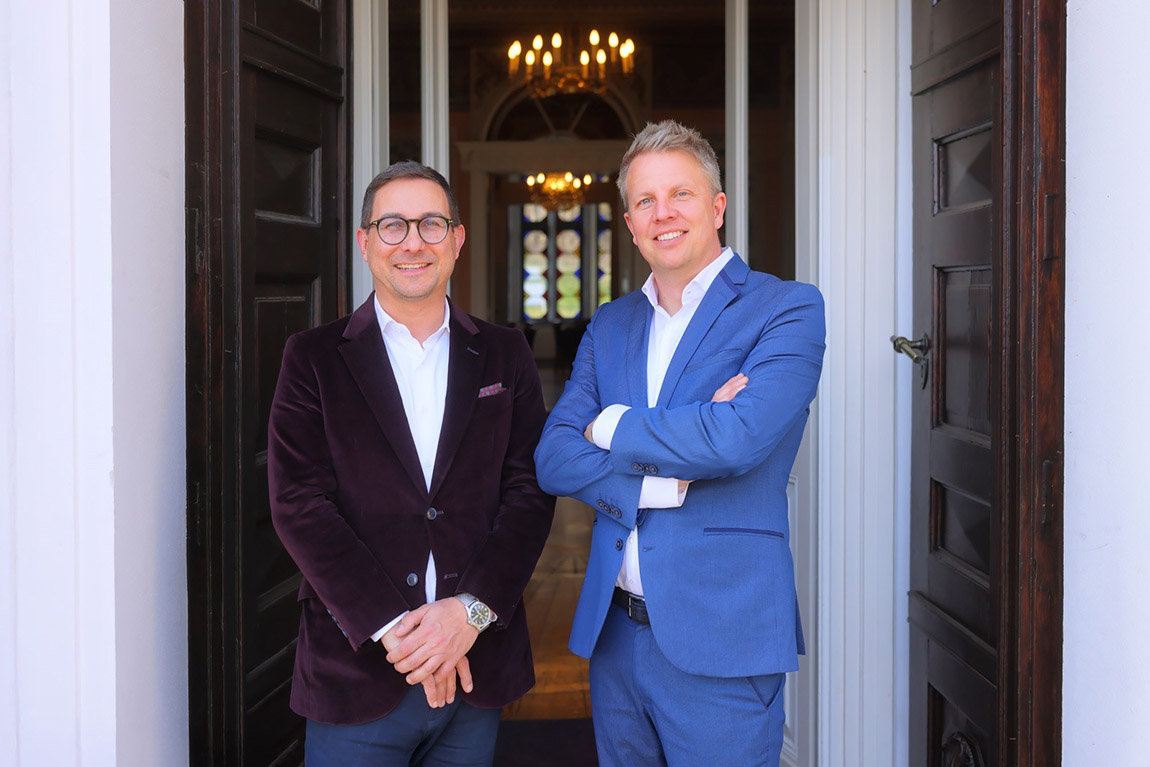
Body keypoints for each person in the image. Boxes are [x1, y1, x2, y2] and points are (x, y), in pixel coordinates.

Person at [534, 120, 826, 767]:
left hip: (724, 639)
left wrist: (608, 425)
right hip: (615, 637)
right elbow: (552, 456)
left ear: (717, 206)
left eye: (680, 194)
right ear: (631, 224)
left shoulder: (787, 309)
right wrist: (664, 478)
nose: (662, 213)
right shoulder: (611, 323)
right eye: (645, 200)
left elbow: (736, 438)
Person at [268, 161, 555, 766]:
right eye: (393, 225)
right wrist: (402, 634)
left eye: (431, 224)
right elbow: (298, 503)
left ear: (457, 238)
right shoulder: (312, 357)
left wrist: (468, 613)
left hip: (476, 667)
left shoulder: (505, 353)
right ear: (364, 241)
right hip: (357, 673)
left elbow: (529, 492)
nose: (413, 243)